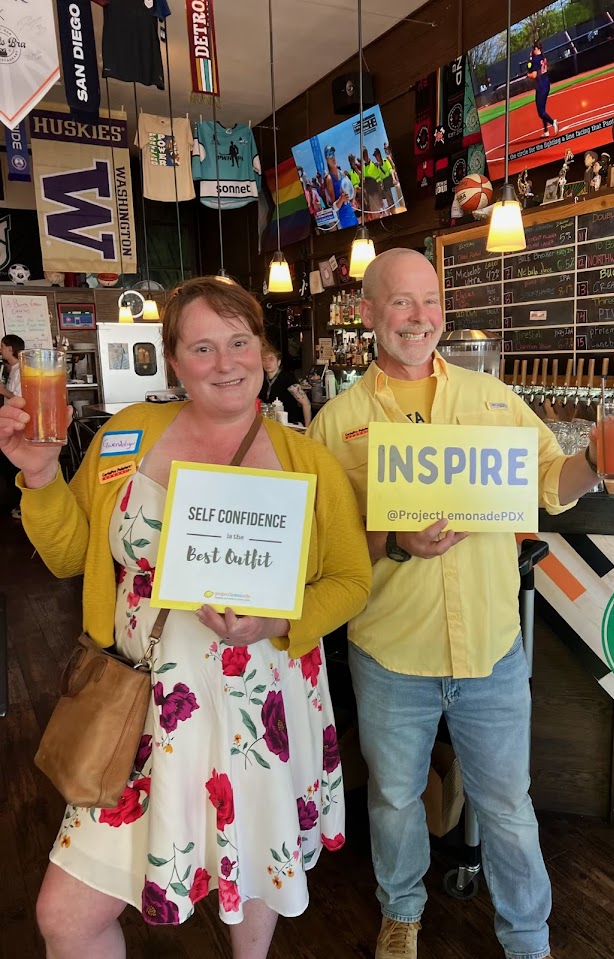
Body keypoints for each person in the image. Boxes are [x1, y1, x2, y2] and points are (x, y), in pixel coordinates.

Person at [0, 276, 371, 958]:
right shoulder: (126, 436)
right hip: (141, 705)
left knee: (252, 870)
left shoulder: (308, 461)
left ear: (264, 352)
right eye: (202, 347)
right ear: (173, 360)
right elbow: (70, 555)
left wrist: (276, 624)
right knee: (64, 917)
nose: (225, 362)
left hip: (260, 707)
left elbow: (351, 581)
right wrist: (42, 476)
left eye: (239, 342)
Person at [307, 249, 614, 959]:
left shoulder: (492, 399)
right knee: (393, 799)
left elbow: (552, 482)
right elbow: (321, 552)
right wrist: (392, 540)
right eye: (400, 302)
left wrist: (597, 459)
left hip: (491, 649)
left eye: (429, 300)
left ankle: (527, 937)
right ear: (367, 313)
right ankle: (401, 910)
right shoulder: (335, 424)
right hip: (391, 653)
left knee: (509, 807)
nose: (418, 317)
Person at [0, 333, 25, 518]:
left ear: (10, 348)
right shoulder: (13, 369)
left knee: (13, 466)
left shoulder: (21, 371)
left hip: (17, 425)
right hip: (10, 423)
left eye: (2, 346)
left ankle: (21, 505)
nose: (0, 350)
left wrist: (3, 391)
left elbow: (22, 400)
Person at [259, 345, 311, 427]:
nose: (267, 363)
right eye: (264, 360)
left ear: (279, 362)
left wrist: (308, 428)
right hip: (270, 425)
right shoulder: (261, 379)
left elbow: (306, 404)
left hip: (289, 425)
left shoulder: (287, 378)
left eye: (271, 359)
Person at [527, 41, 559, 138]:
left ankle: (553, 122)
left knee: (541, 113)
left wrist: (528, 74)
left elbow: (534, 75)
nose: (533, 50)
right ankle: (546, 131)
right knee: (543, 110)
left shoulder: (536, 59)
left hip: (540, 86)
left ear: (537, 49)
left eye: (534, 49)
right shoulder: (543, 57)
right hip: (546, 84)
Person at [323, 144, 358, 230]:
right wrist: (341, 199)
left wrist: (352, 197)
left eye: (333, 154)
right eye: (330, 155)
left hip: (352, 214)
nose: (333, 158)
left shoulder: (342, 173)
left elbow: (350, 194)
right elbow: (333, 207)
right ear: (326, 159)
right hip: (343, 220)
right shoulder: (329, 179)